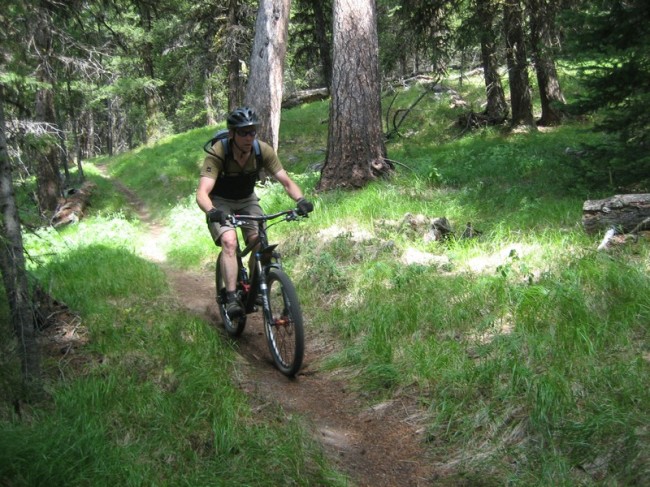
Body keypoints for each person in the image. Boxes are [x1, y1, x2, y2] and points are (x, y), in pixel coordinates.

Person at [196, 106, 313, 317]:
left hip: (247, 199)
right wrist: (212, 211)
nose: (249, 137)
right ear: (232, 134)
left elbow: (286, 181)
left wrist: (301, 200)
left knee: (260, 241)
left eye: (252, 131)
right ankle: (231, 298)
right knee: (230, 241)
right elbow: (202, 192)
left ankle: (254, 285)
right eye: (243, 132)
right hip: (220, 202)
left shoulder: (262, 150)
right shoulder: (218, 153)